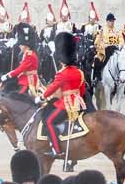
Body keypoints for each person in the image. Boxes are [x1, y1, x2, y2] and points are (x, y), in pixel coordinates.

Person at [36, 32, 87, 168]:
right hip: (78, 104)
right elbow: (82, 91)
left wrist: (41, 97)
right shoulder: (79, 72)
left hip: (66, 105)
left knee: (49, 121)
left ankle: (57, 150)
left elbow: (52, 88)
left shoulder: (62, 74)